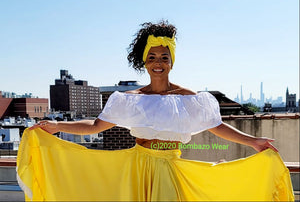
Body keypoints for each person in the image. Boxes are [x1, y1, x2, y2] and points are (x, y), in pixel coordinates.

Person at [23, 20, 293, 201]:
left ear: (171, 61)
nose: (158, 63)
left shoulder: (190, 99)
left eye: (164, 57)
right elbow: (96, 126)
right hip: (136, 166)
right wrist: (58, 127)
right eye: (152, 58)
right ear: (145, 63)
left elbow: (216, 125)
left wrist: (254, 142)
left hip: (169, 167)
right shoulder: (131, 99)